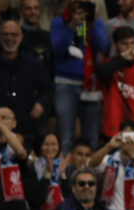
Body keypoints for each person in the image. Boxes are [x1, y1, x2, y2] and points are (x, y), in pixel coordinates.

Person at [0, 21, 51, 144]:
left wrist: (41, 103)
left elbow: (48, 89)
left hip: (24, 131)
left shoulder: (32, 64)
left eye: (14, 34)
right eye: (6, 34)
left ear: (21, 37)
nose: (10, 38)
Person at [51, 0, 109, 153]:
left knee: (92, 140)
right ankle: (64, 175)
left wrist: (92, 25)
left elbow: (103, 46)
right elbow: (57, 49)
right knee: (65, 139)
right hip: (65, 84)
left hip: (90, 84)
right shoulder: (58, 22)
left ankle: (88, 176)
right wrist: (71, 26)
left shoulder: (96, 23)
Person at [97, 26, 134, 143]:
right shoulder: (109, 66)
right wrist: (121, 59)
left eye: (132, 43)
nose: (130, 48)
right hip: (115, 130)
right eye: (125, 44)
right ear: (115, 45)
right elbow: (101, 73)